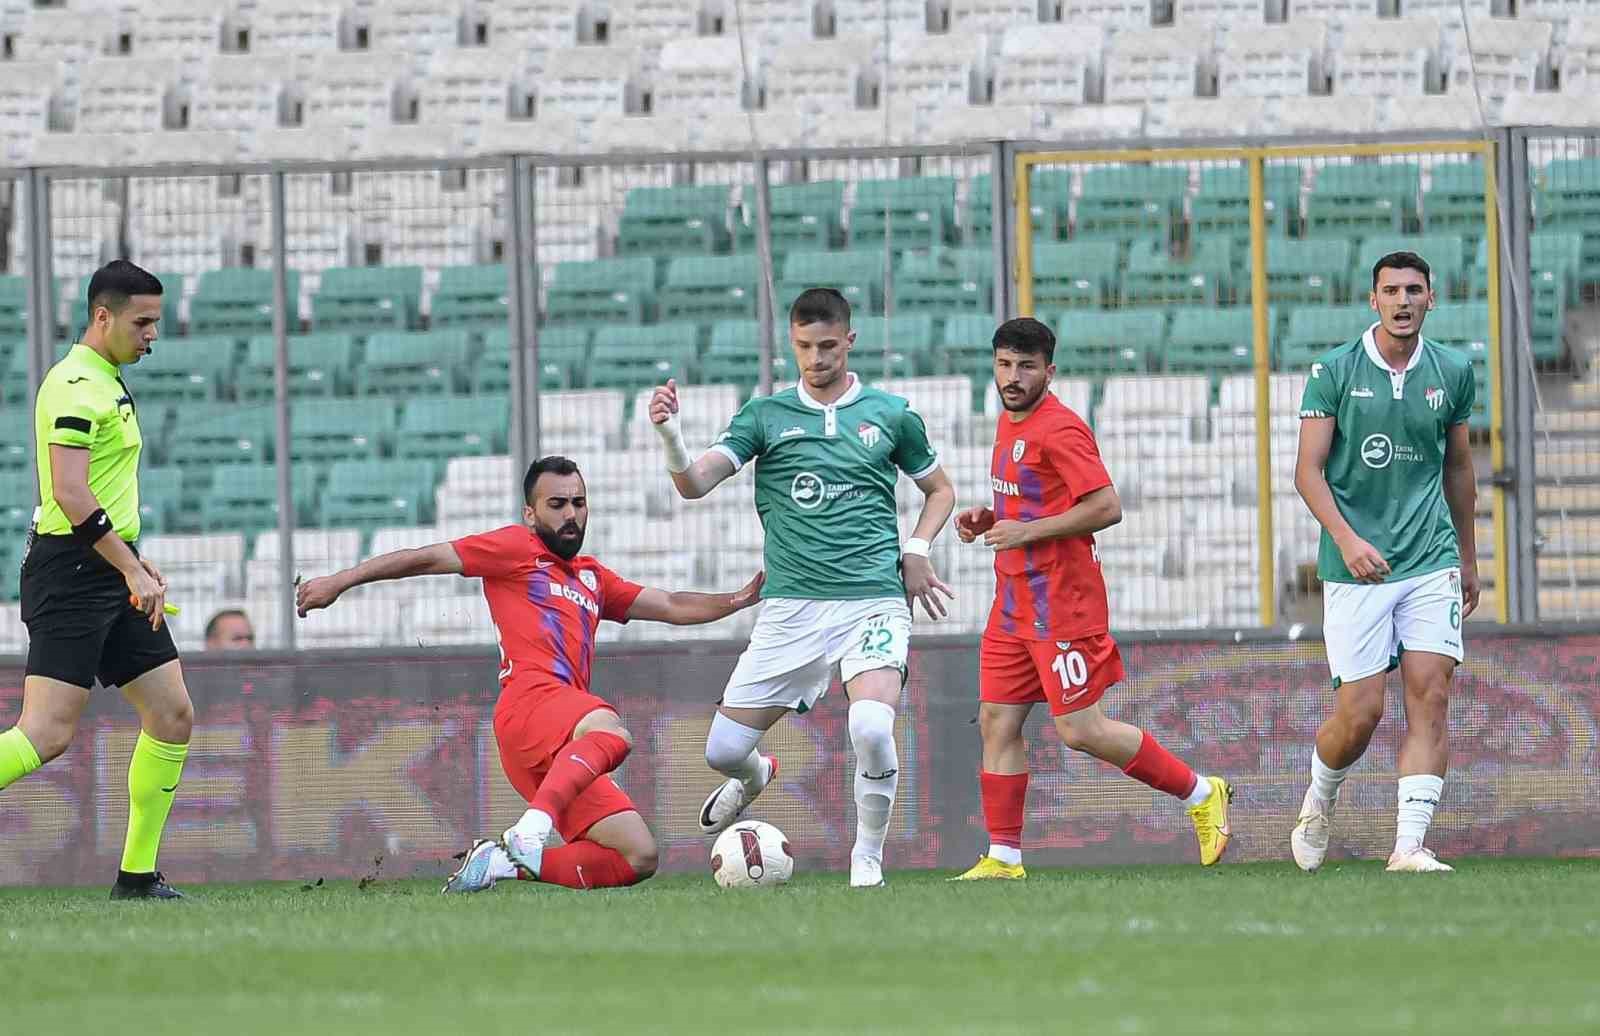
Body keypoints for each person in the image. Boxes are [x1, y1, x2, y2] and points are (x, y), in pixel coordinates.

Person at [295, 456, 764, 893]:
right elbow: (423, 558)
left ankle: (507, 862)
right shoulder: (515, 548)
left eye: (578, 503)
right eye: (556, 504)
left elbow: (670, 604)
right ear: (530, 513)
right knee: (612, 732)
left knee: (638, 855)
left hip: (557, 745)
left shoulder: (592, 578)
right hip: (531, 704)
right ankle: (532, 829)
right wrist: (339, 581)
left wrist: (736, 601)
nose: (571, 514)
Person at [648, 287, 957, 888]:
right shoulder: (764, 416)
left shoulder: (891, 414)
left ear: (849, 340)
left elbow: (939, 491)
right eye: (804, 347)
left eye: (826, 346)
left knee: (870, 727)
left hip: (872, 601)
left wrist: (915, 550)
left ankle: (866, 859)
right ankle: (755, 775)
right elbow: (694, 484)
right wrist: (670, 435)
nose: (816, 359)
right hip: (791, 609)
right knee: (722, 752)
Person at [950, 317, 1233, 881]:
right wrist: (993, 517)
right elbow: (1033, 499)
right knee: (995, 723)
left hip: (1061, 602)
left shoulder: (1061, 427)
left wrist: (1025, 532)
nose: (1014, 376)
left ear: (1049, 373)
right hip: (1013, 603)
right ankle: (1004, 858)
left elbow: (1106, 506)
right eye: (1005, 364)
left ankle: (1202, 792)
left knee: (1080, 730)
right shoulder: (1010, 421)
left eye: (1027, 367)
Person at [0, 260, 193, 899]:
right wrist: (129, 564)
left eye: (156, 323)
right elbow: (71, 495)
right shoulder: (75, 384)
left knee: (171, 715)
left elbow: (99, 493)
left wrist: (133, 558)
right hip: (72, 574)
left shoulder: (105, 377)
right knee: (47, 733)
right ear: (102, 316)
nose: (152, 335)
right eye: (142, 322)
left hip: (108, 568)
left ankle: (137, 880)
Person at [1291, 251, 1479, 874]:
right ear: (1372, 300)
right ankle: (1320, 797)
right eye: (1391, 291)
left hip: (1431, 559)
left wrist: (1468, 556)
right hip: (1356, 569)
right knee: (1361, 713)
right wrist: (1345, 540)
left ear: (1432, 299)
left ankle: (1409, 846)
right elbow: (1307, 471)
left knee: (1431, 691)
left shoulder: (1453, 370)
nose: (1403, 301)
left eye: (1414, 290)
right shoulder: (1335, 371)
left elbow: (1457, 467)